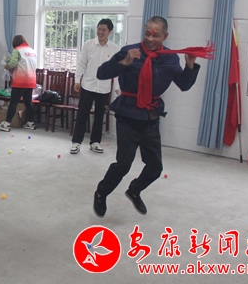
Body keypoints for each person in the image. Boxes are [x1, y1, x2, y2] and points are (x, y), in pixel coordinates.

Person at [93, 16, 203, 218]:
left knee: (155, 167)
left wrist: (189, 66)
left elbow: (184, 85)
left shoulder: (170, 58)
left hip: (150, 117)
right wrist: (125, 62)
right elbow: (101, 73)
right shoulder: (130, 51)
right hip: (128, 115)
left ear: (165, 36)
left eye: (156, 35)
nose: (150, 39)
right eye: (147, 34)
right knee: (124, 164)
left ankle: (134, 190)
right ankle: (101, 192)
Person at [70, 19, 119, 155]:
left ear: (109, 32)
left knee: (99, 116)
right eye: (99, 29)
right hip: (88, 85)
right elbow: (81, 63)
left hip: (104, 88)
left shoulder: (114, 48)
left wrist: (117, 87)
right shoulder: (88, 44)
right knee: (82, 114)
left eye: (104, 30)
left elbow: (116, 69)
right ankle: (76, 142)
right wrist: (77, 80)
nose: (100, 32)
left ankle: (95, 142)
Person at [0, 35, 37, 132]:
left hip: (20, 80)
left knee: (13, 102)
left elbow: (13, 63)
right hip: (31, 80)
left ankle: (6, 124)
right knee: (28, 102)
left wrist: (6, 66)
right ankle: (31, 123)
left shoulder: (17, 50)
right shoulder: (32, 51)